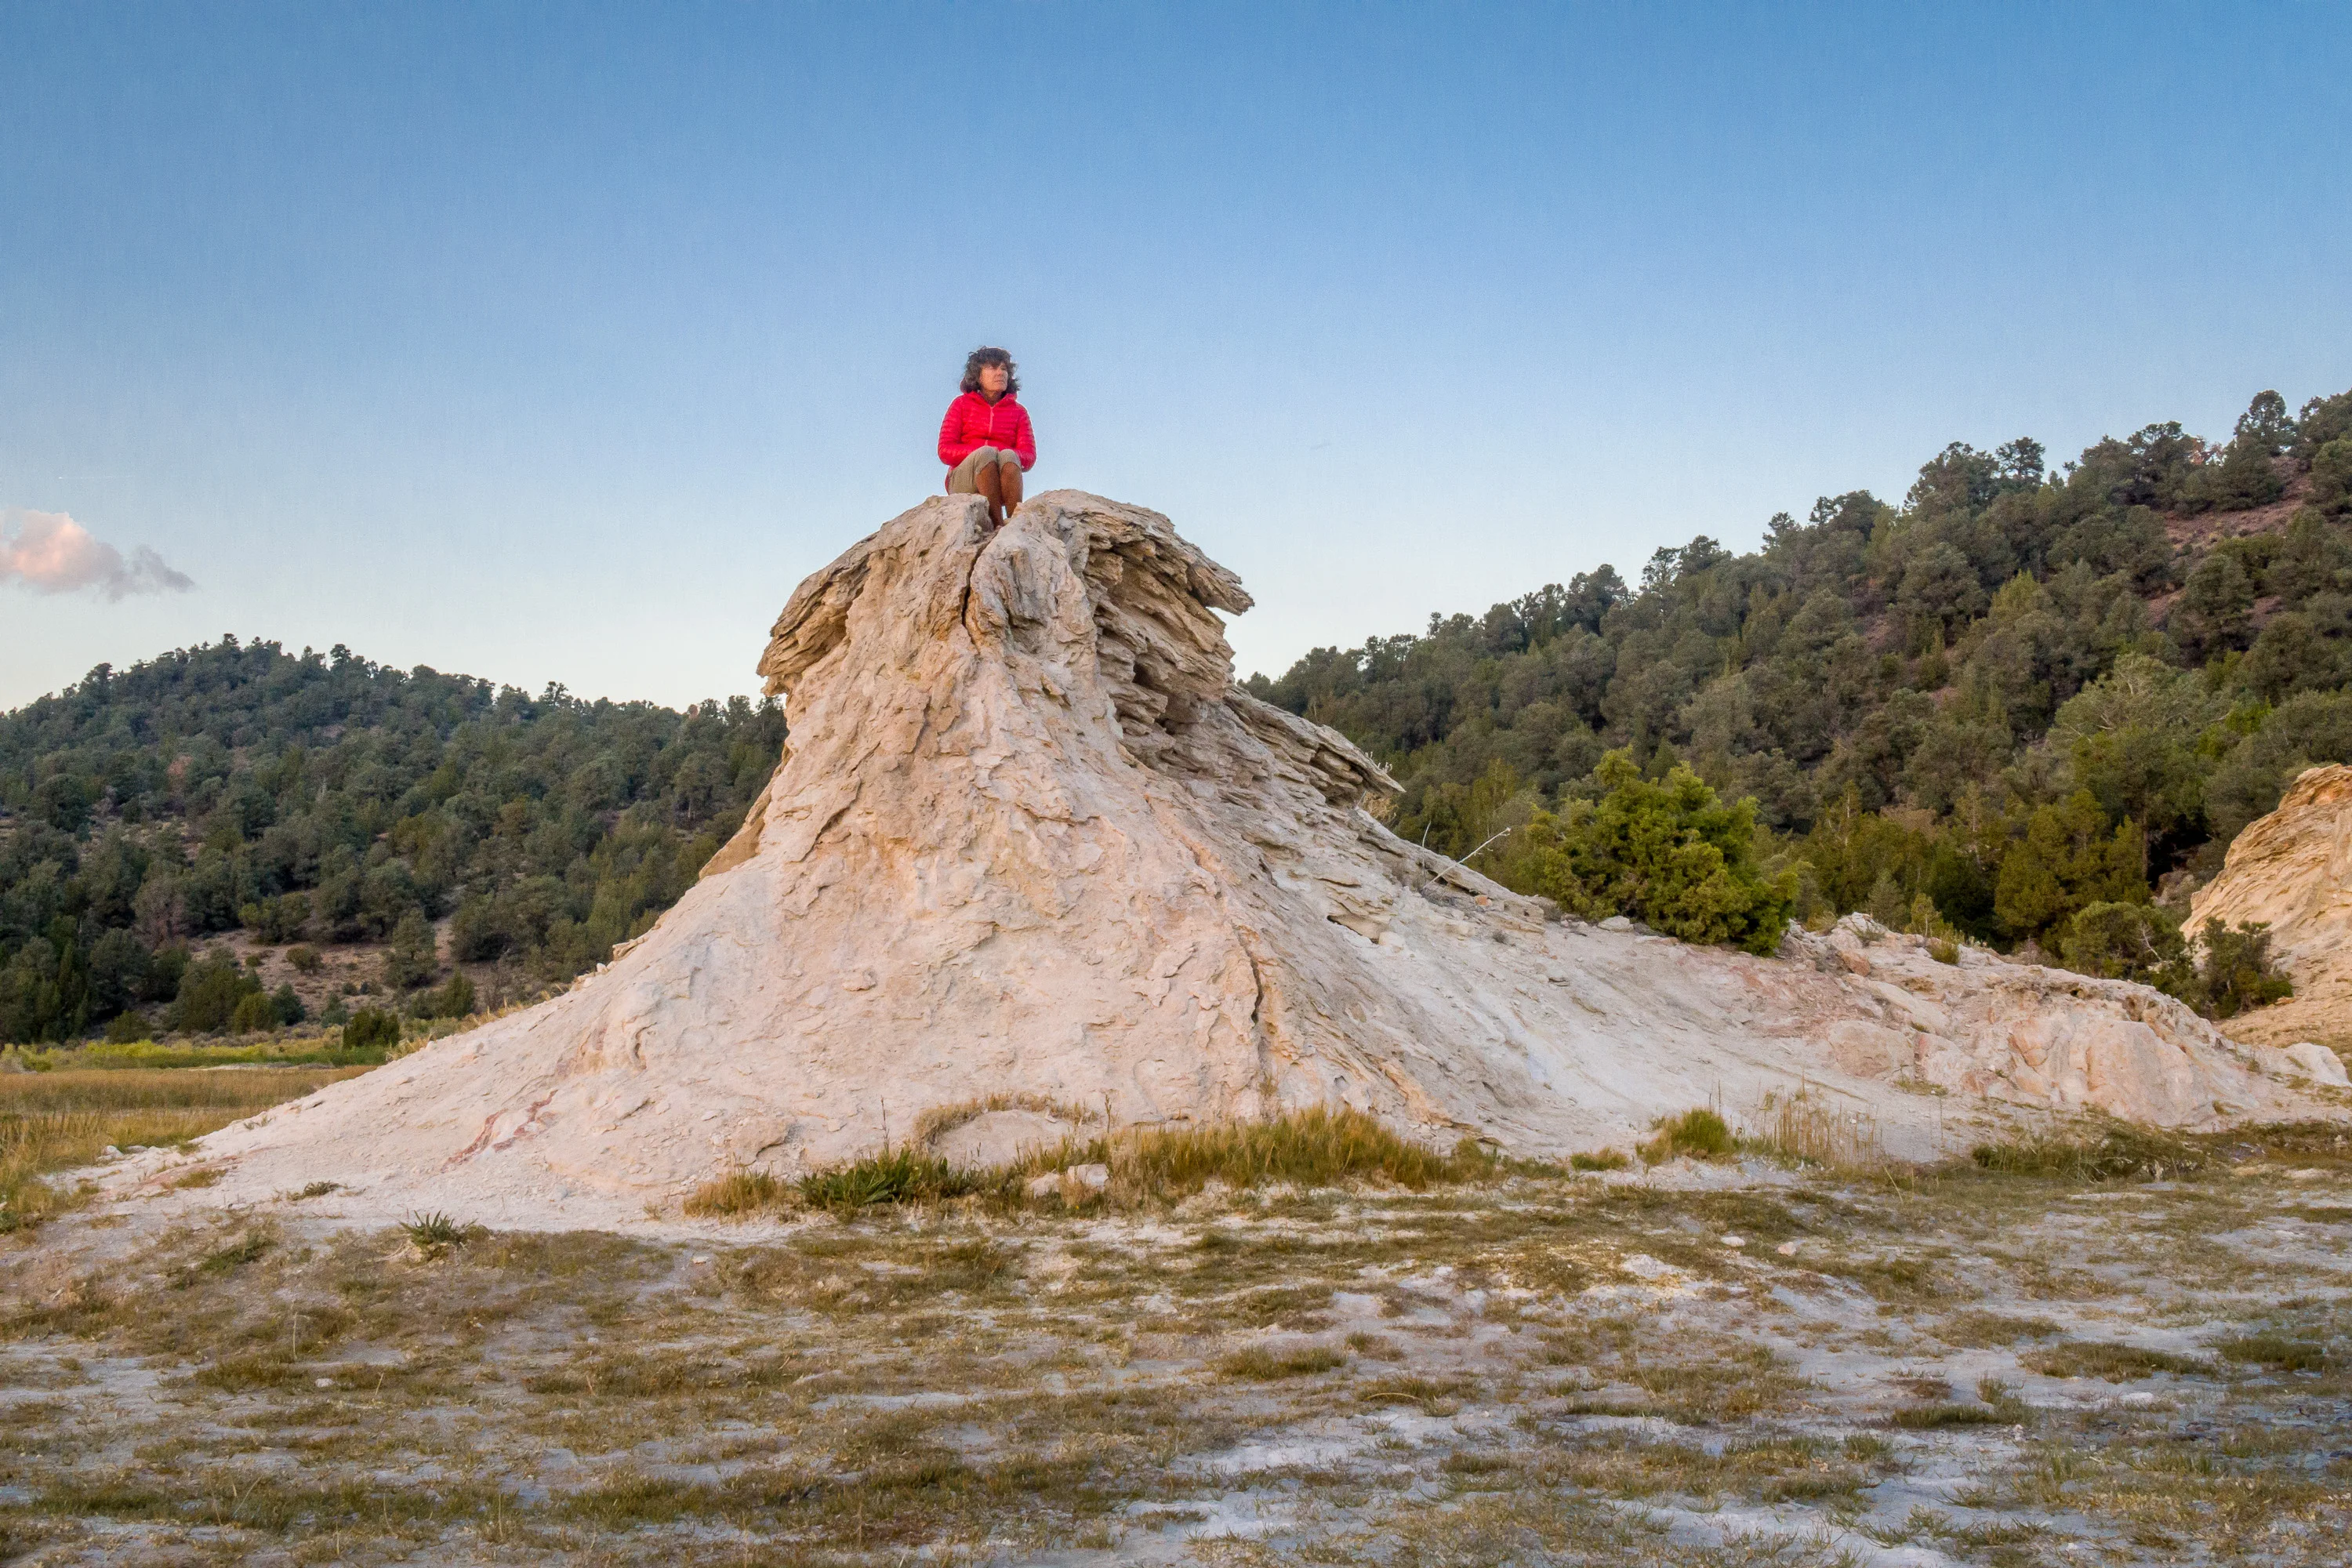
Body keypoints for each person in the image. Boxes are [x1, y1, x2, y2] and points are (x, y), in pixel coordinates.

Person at [938, 347, 1036, 528]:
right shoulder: (961, 405)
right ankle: (997, 525)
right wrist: (986, 451)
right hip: (964, 480)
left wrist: (999, 453)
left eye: (1004, 369)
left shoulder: (1019, 412)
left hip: (1000, 480)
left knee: (1009, 456)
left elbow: (1028, 457)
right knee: (985, 454)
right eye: (992, 368)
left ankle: (1016, 523)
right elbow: (945, 450)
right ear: (978, 376)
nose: (1000, 373)